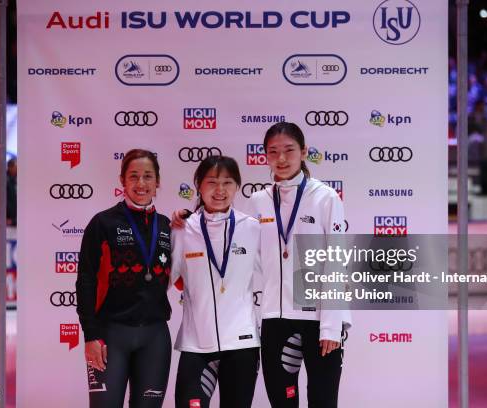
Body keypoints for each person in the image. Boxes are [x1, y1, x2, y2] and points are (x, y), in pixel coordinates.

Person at [173, 122, 351, 407]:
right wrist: (187, 217)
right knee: (282, 402)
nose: (281, 159)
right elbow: (223, 235)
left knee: (323, 400)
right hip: (275, 320)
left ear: (304, 152)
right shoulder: (258, 202)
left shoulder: (326, 197)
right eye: (273, 152)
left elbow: (336, 262)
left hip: (319, 321)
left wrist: (331, 326)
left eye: (289, 150)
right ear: (264, 156)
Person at [76, 149, 172, 408]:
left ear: (158, 182)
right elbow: (85, 281)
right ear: (122, 181)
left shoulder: (167, 226)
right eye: (134, 176)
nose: (141, 184)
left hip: (155, 336)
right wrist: (91, 335)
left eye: (148, 177)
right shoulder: (103, 223)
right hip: (110, 335)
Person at [171, 156, 261, 408]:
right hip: (196, 343)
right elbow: (164, 281)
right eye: (211, 182)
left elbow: (281, 273)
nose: (219, 190)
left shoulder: (252, 228)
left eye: (227, 183)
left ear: (237, 186)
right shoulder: (182, 229)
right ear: (198, 185)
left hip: (242, 344)